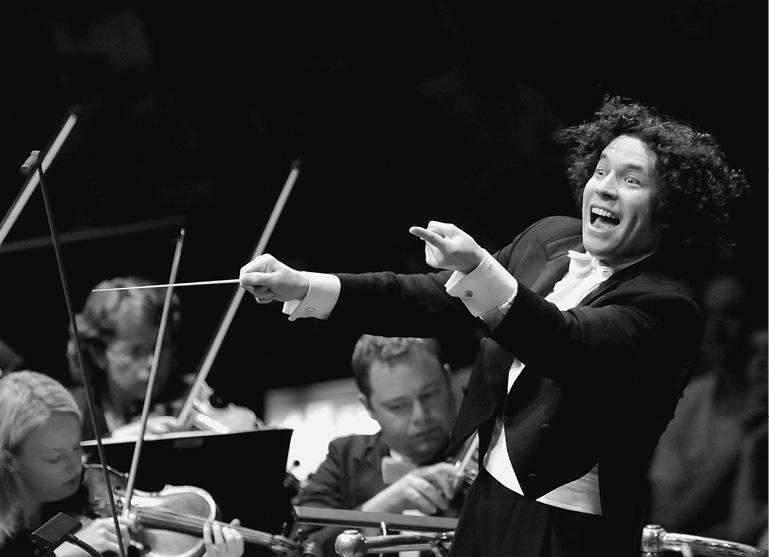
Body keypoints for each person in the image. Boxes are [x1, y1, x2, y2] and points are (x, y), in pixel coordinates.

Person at [238, 95, 749, 556]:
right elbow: (428, 301)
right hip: (487, 499)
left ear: (669, 209)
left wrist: (479, 269)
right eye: (602, 171)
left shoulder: (667, 306)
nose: (606, 189)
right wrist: (305, 285)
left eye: (631, 180)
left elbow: (564, 341)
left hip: (569, 530)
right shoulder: (549, 239)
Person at [0, 369, 245, 557]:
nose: (76, 466)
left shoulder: (84, 498)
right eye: (55, 458)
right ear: (10, 461)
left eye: (77, 447)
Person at [294, 335, 475, 556]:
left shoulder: (486, 452)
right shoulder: (344, 458)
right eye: (398, 406)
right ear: (368, 407)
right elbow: (302, 546)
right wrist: (380, 510)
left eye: (429, 394)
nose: (420, 416)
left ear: (448, 379)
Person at [648, 270, 767, 546]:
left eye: (732, 314)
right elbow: (667, 517)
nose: (717, 326)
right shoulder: (690, 400)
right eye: (709, 314)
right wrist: (740, 440)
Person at [66, 276, 192, 440]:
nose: (153, 363)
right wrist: (113, 441)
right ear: (98, 354)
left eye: (162, 347)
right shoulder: (74, 414)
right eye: (136, 351)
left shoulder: (187, 397)